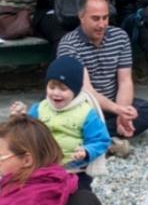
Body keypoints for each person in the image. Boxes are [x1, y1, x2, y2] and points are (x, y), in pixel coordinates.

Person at [57, 0, 148, 156]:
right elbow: (86, 91)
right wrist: (119, 110)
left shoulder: (119, 37)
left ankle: (96, 137)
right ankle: (106, 138)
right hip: (84, 105)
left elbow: (125, 81)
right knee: (62, 117)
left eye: (105, 18)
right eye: (95, 18)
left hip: (113, 102)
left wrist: (123, 114)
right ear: (81, 17)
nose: (102, 24)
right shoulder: (69, 45)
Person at [9, 55, 111, 192]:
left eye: (63, 89)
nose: (56, 93)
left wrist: (87, 150)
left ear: (75, 90)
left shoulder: (86, 113)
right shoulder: (40, 108)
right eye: (52, 87)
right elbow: (28, 130)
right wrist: (20, 117)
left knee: (78, 197)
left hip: (75, 169)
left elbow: (101, 139)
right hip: (44, 166)